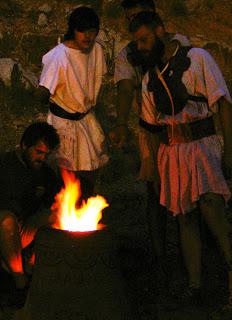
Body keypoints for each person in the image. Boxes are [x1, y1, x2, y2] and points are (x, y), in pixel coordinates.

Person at [129, 11, 232, 314]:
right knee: (184, 217)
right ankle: (195, 286)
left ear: (161, 30)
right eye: (137, 43)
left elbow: (222, 103)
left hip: (203, 144)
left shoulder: (198, 58)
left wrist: (230, 151)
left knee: (212, 209)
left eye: (145, 39)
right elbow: (150, 127)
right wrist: (153, 165)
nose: (142, 47)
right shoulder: (149, 79)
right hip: (173, 151)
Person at [111, 0, 190, 291]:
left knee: (184, 193)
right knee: (155, 192)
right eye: (130, 17)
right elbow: (124, 87)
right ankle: (160, 260)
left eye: (140, 16)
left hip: (179, 127)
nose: (135, 20)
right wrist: (121, 123)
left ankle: (185, 258)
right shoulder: (129, 53)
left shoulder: (178, 44)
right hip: (150, 128)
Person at [37, 6, 108, 201]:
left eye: (92, 32)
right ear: (73, 30)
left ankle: (82, 216)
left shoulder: (97, 51)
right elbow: (44, 91)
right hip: (63, 121)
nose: (88, 36)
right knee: (63, 175)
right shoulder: (59, 56)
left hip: (85, 118)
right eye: (83, 31)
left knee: (88, 173)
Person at [0, 122, 60, 302]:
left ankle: (33, 266)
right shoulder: (4, 165)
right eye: (38, 152)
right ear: (25, 145)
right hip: (4, 227)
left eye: (46, 155)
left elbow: (56, 202)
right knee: (6, 220)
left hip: (22, 230)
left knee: (57, 215)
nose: (42, 158)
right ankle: (20, 282)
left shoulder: (46, 174)